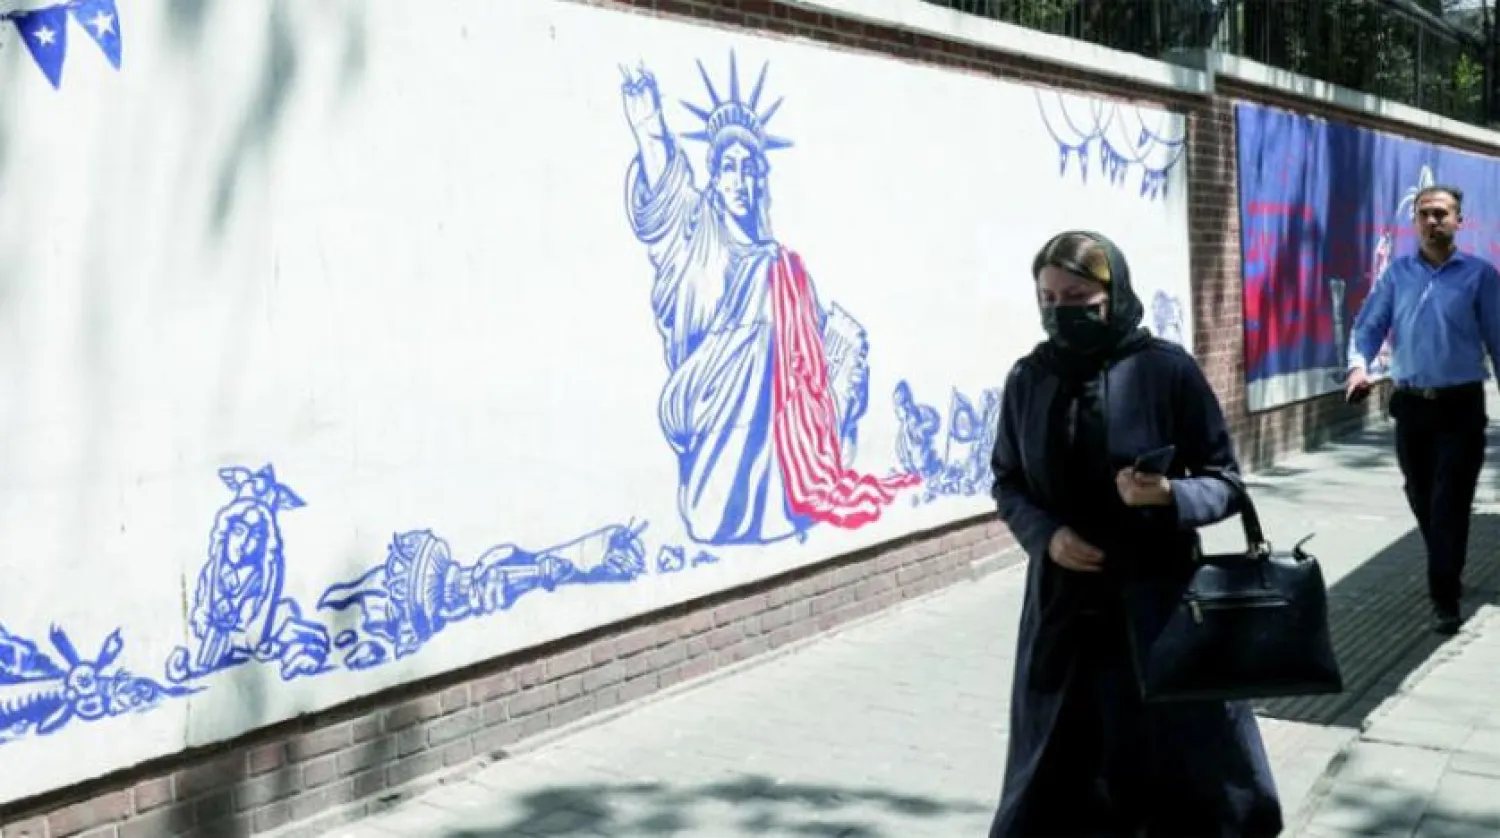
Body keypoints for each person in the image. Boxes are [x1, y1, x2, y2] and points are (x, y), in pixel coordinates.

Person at [988, 231, 1282, 836]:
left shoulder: (1165, 370)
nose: (1060, 311)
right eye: (1047, 298)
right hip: (1064, 612)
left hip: (1161, 606)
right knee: (1061, 772)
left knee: (1176, 772)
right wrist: (1046, 535)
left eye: (1077, 296)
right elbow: (1007, 481)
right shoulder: (1030, 378)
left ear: (1113, 292)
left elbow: (1225, 481)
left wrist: (1171, 494)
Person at [1346, 184, 1500, 636]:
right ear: (1414, 221)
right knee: (1419, 495)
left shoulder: (1480, 277)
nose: (1434, 221)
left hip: (1461, 406)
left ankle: (1444, 598)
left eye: (1442, 214)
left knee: (1449, 501)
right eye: (1425, 214)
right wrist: (1358, 368)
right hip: (1411, 406)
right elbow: (1368, 326)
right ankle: (1445, 564)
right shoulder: (1397, 276)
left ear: (1459, 221)